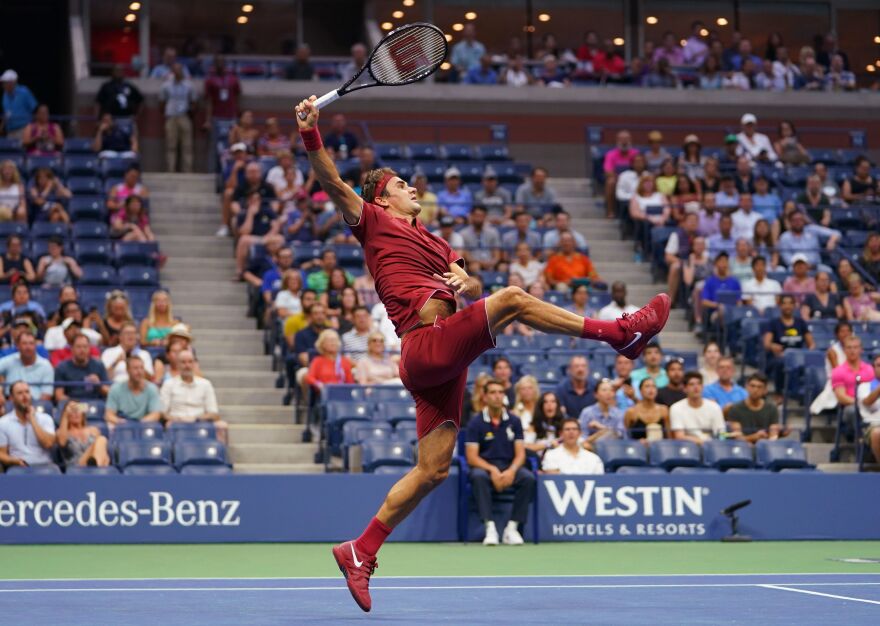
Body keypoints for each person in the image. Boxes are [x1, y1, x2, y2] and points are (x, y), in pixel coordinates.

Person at [295, 95, 668, 611]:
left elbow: (469, 284)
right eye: (403, 185)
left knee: (433, 470)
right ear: (381, 200)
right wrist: (311, 133)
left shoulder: (437, 242)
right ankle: (620, 334)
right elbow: (333, 183)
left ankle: (360, 550)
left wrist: (468, 280)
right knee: (514, 299)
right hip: (425, 349)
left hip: (441, 367)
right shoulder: (372, 224)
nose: (413, 188)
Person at [465, 378, 534, 546]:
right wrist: (493, 470)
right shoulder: (476, 422)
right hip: (485, 466)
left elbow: (520, 454)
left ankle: (512, 528)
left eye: (500, 392)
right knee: (478, 477)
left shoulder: (514, 421)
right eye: (493, 393)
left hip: (510, 465)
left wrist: (511, 471)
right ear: (485, 396)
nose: (497, 396)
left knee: (528, 478)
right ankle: (490, 528)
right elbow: (472, 457)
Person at [160, 350, 227, 443]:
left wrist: (197, 419)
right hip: (177, 422)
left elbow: (213, 413)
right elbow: (163, 412)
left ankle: (220, 456)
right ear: (178, 365)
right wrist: (177, 419)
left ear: (195, 364)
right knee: (168, 426)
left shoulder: (205, 384)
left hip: (200, 422)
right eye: (183, 362)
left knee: (222, 426)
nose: (187, 366)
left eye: (190, 362)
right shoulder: (169, 384)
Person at [764, 295, 815, 394]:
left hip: (798, 356)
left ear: (794, 306)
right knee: (780, 363)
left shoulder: (800, 322)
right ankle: (779, 393)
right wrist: (773, 346)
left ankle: (800, 394)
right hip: (780, 357)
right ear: (780, 306)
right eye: (784, 303)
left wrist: (810, 352)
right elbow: (766, 343)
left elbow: (811, 344)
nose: (787, 306)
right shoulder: (773, 323)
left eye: (790, 303)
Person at [0, 381, 55, 468]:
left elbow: (48, 443)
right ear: (11, 398)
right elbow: (1, 453)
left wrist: (32, 420)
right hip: (18, 467)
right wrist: (14, 461)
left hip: (45, 466)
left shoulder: (45, 418)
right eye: (20, 393)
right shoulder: (3, 422)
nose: (25, 396)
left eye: (27, 392)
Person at [831, 335, 874, 431]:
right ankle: (861, 439)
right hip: (850, 406)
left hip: (870, 404)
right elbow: (841, 397)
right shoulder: (838, 371)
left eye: (855, 347)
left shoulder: (870, 369)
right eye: (849, 347)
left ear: (861, 349)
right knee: (852, 411)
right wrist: (860, 403)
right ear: (844, 350)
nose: (852, 350)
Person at [669, 372, 725, 444]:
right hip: (688, 448)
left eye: (699, 384)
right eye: (691, 384)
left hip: (712, 448)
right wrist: (703, 442)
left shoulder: (715, 407)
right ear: (685, 389)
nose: (696, 387)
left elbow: (722, 434)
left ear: (703, 387)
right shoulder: (676, 408)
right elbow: (679, 437)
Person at [159, 63, 195, 173]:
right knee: (171, 145)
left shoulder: (189, 85)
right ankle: (171, 170)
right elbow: (161, 102)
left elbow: (193, 102)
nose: (178, 72)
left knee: (187, 145)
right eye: (175, 70)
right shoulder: (166, 85)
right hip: (171, 117)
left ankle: (188, 170)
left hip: (184, 116)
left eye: (180, 69)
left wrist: (190, 113)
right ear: (172, 71)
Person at [105, 355, 162, 425]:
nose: (139, 371)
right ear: (127, 370)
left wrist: (139, 424)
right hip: (122, 425)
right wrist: (120, 422)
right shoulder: (116, 388)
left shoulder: (152, 389)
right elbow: (109, 415)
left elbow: (156, 414)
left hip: (144, 425)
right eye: (135, 368)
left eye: (141, 368)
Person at [727, 373, 783, 443]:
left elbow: (773, 436)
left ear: (765, 390)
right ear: (746, 387)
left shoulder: (772, 408)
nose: (755, 390)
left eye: (759, 387)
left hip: (764, 448)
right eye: (752, 386)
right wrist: (755, 437)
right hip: (743, 449)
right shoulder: (736, 409)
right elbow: (737, 438)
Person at [0, 331, 54, 402]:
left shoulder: (46, 366)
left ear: (35, 346)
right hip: (10, 404)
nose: (28, 347)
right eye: (24, 343)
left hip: (36, 405)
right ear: (18, 346)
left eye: (31, 343)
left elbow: (47, 395)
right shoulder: (9, 361)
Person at [54, 333, 109, 402]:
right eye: (78, 347)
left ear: (89, 348)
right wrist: (74, 404)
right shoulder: (62, 367)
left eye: (85, 347)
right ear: (72, 349)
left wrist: (99, 385)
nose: (82, 350)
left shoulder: (98, 365)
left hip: (95, 403)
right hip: (71, 404)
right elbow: (59, 396)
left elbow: (108, 392)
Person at [57, 401, 110, 467]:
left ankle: (96, 470)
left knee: (102, 440)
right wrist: (65, 415)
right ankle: (97, 472)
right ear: (67, 414)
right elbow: (62, 442)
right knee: (101, 439)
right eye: (73, 410)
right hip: (75, 466)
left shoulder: (94, 430)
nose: (76, 413)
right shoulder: (62, 432)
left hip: (95, 463)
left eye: (78, 410)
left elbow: (102, 452)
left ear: (83, 413)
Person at [579, 379, 626, 446]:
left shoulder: (618, 413)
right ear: (596, 394)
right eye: (604, 390)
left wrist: (601, 427)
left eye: (611, 390)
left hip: (614, 448)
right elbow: (582, 437)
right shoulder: (587, 412)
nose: (608, 393)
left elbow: (620, 435)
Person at [602, 131, 637, 217]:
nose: (624, 142)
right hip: (617, 179)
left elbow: (639, 168)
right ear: (617, 140)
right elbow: (608, 171)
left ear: (630, 140)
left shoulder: (635, 153)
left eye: (626, 139)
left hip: (633, 179)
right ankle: (610, 211)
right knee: (610, 182)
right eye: (622, 139)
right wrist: (621, 178)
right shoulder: (610, 154)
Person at [203, 55, 241, 130]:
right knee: (217, 141)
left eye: (221, 62)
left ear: (225, 63)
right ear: (214, 64)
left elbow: (238, 97)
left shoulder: (233, 79)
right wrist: (208, 120)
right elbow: (209, 102)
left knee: (232, 141)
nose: (219, 64)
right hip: (217, 116)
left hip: (231, 116)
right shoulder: (210, 80)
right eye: (217, 62)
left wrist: (237, 115)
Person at [856, 353, 880, 463]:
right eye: (879, 365)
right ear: (874, 368)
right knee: (877, 433)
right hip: (873, 425)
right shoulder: (864, 386)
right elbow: (868, 402)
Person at [0, 70, 37, 140]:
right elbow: (7, 114)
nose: (3, 85)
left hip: (24, 129)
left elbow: (35, 109)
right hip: (10, 131)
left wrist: (34, 129)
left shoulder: (24, 92)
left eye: (5, 83)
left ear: (12, 83)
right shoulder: (4, 95)